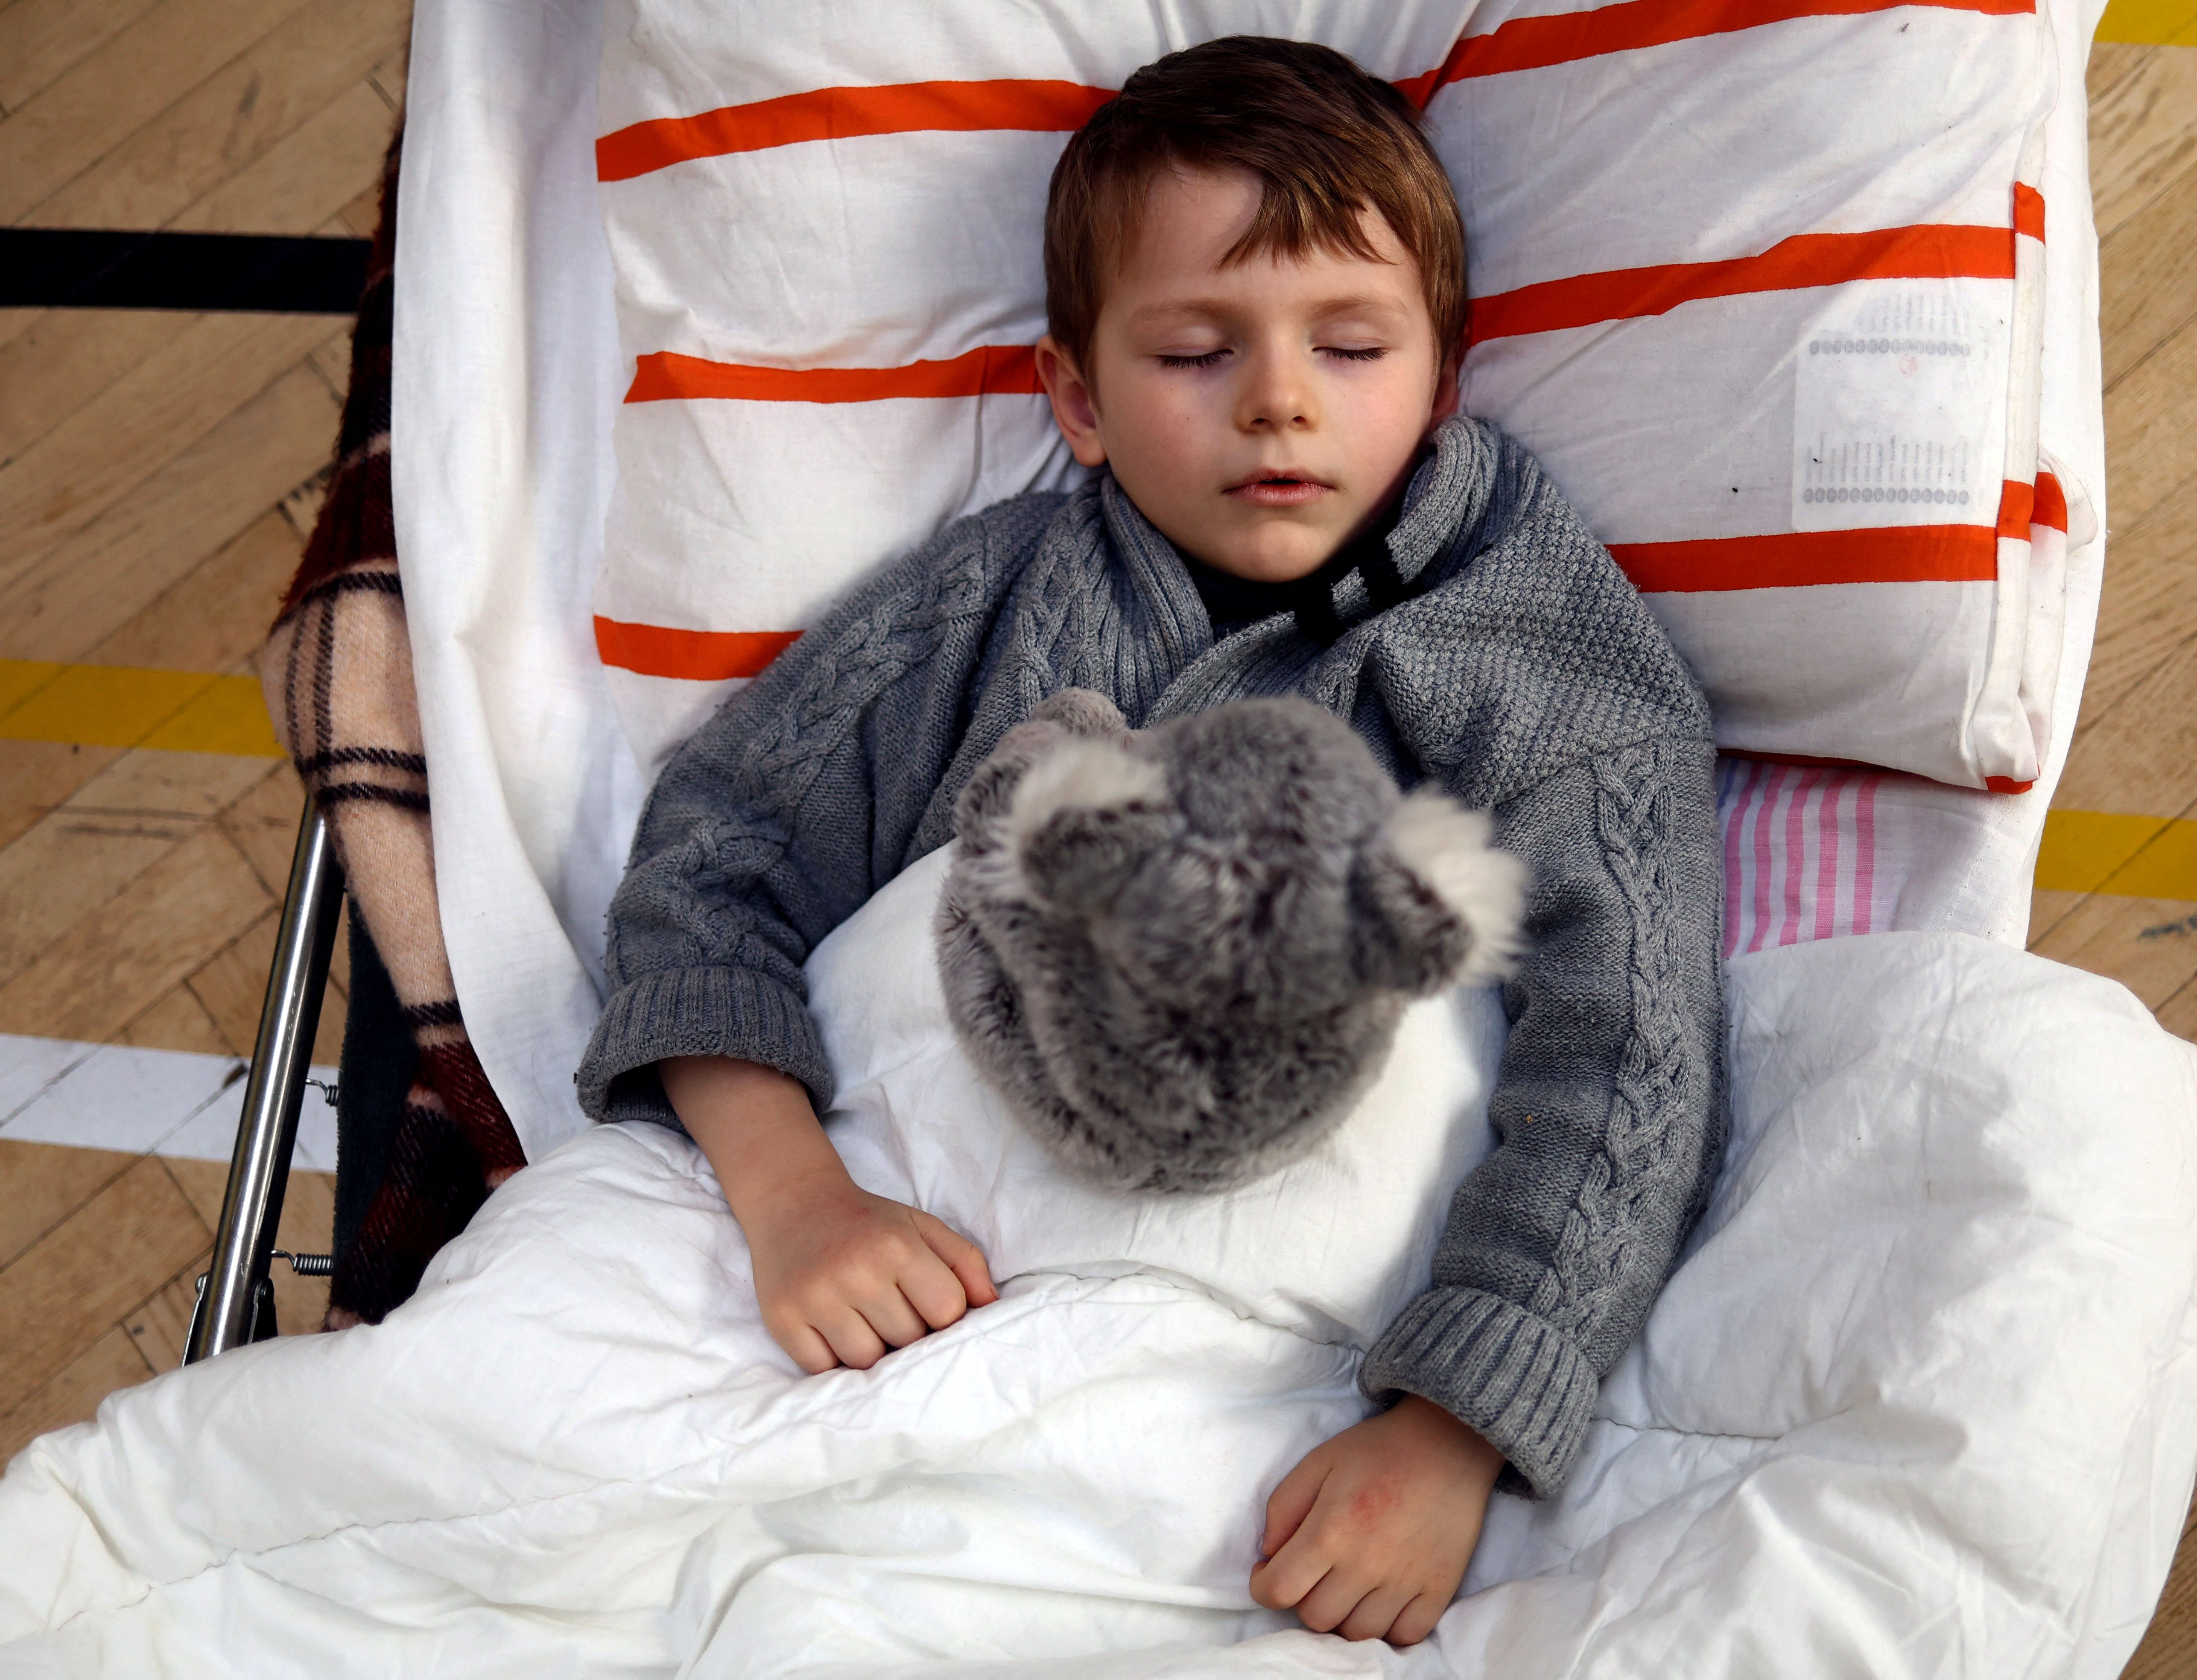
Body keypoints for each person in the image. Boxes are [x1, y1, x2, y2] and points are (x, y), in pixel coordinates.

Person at [576, 35, 1725, 1648]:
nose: (1278, 399)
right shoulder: (985, 612)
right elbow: (713, 863)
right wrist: (793, 1194)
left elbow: (1633, 1051)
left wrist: (1452, 1427)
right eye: (1193, 351)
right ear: (1077, 399)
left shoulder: (1540, 655)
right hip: (910, 1266)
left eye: (1350, 345)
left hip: (1286, 1361)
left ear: (1443, 380)